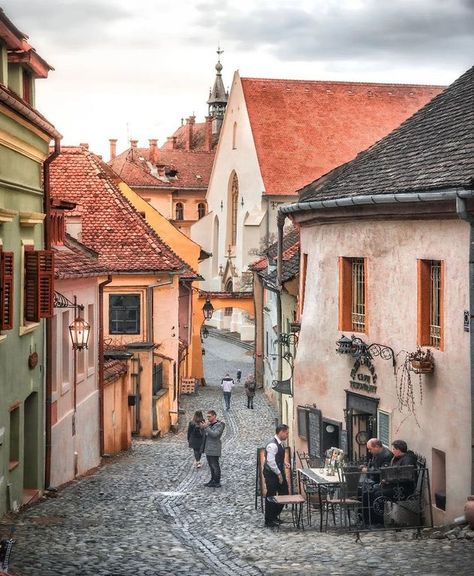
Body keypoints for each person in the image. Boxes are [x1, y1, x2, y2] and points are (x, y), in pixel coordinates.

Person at [263, 424, 290, 528]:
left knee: (284, 493)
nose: (287, 435)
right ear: (281, 432)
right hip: (271, 474)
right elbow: (270, 462)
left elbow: (277, 457)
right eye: (286, 433)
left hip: (278, 471)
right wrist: (278, 473)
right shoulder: (272, 445)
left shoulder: (279, 443)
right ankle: (269, 519)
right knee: (271, 495)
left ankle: (274, 515)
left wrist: (283, 463)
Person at [201, 410, 225, 487]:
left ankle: (217, 481)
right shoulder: (210, 425)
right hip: (208, 448)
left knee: (215, 465)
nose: (208, 418)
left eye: (209, 416)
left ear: (214, 416)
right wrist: (203, 428)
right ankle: (212, 480)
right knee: (211, 466)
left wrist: (206, 427)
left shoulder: (219, 425)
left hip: (214, 448)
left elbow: (215, 435)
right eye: (207, 416)